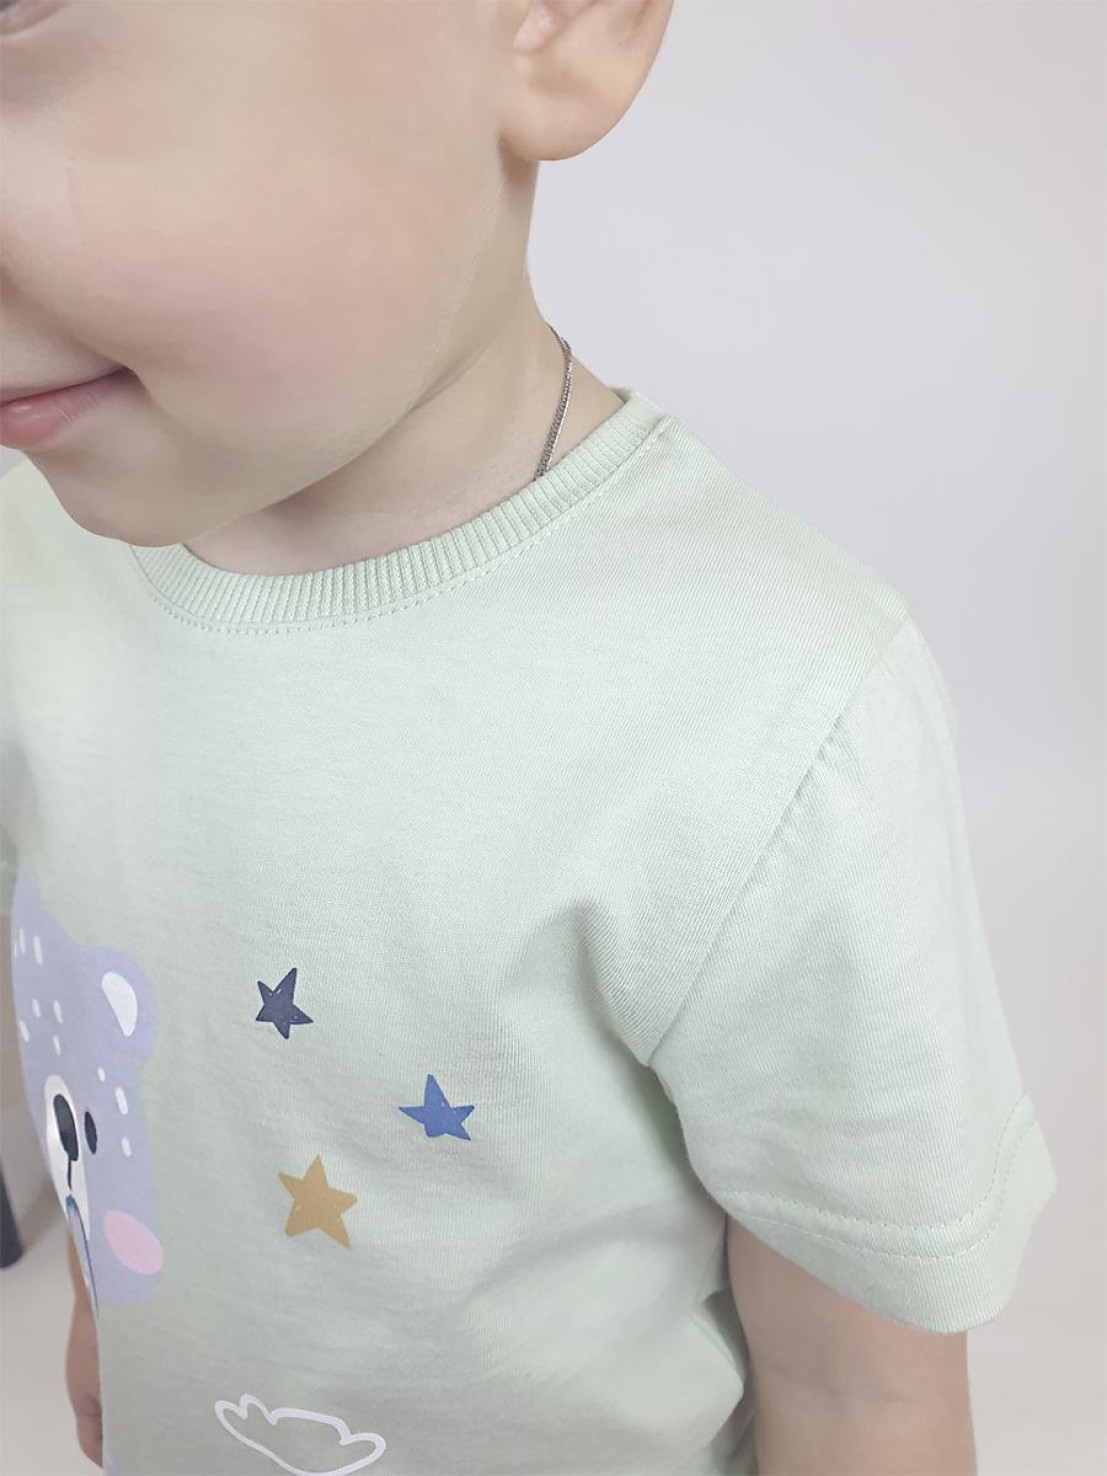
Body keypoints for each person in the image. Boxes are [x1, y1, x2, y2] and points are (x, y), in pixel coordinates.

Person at [0, 3, 1057, 1474]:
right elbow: (126, 1055)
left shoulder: (769, 710)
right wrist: (119, 1315)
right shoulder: (39, 561)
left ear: (554, 21)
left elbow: (865, 1392)